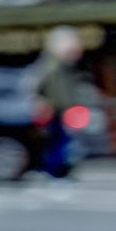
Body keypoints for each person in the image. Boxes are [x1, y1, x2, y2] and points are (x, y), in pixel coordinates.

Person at [31, 27, 85, 177]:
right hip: (56, 111)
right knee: (58, 142)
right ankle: (55, 171)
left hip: (64, 111)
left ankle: (58, 170)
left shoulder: (64, 67)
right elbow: (39, 87)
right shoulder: (51, 66)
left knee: (63, 141)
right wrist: (44, 102)